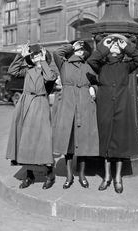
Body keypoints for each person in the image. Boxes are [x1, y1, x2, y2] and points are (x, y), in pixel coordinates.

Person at [87, 34, 138, 193]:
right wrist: (103, 47)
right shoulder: (101, 65)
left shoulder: (126, 65)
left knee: (119, 146)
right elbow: (91, 60)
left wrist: (127, 46)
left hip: (121, 107)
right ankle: (107, 177)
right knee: (106, 145)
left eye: (116, 46)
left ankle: (117, 178)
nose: (114, 47)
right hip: (105, 108)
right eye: (110, 46)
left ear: (121, 51)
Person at [6, 42, 57, 190]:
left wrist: (42, 60)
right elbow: (12, 70)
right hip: (25, 104)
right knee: (25, 140)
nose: (35, 57)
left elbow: (50, 77)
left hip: (40, 104)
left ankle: (49, 174)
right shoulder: (28, 70)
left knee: (42, 140)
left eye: (38, 55)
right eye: (33, 55)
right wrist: (20, 56)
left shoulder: (48, 69)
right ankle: (29, 175)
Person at [52, 40, 99, 189]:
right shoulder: (64, 64)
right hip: (68, 106)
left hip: (84, 106)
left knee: (83, 142)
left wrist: (94, 90)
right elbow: (56, 53)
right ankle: (69, 175)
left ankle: (82, 174)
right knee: (68, 143)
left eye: (83, 50)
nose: (80, 52)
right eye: (78, 49)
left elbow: (97, 82)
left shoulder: (88, 67)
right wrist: (72, 46)